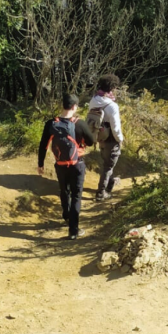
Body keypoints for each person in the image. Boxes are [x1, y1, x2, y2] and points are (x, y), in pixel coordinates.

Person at [37, 93, 96, 239]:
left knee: (64, 190)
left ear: (62, 105)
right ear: (74, 106)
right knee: (76, 195)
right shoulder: (79, 123)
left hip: (60, 164)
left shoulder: (51, 123)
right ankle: (73, 231)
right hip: (77, 164)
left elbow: (43, 145)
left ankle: (66, 216)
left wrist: (41, 164)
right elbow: (90, 142)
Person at [88, 74, 124, 201]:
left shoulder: (93, 100)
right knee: (108, 166)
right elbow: (116, 128)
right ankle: (101, 193)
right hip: (111, 139)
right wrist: (120, 139)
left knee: (107, 162)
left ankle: (110, 184)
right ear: (113, 88)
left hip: (99, 137)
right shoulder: (112, 106)